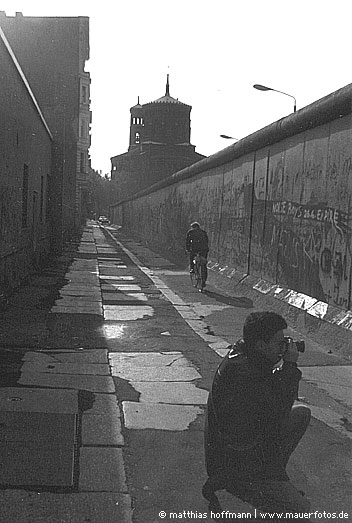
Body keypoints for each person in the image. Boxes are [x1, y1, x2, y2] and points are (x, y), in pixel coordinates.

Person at [203, 311, 312, 520]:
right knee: (301, 509)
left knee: (301, 414)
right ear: (261, 345)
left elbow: (272, 406)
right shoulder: (244, 373)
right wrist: (289, 366)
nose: (285, 346)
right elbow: (278, 411)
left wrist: (281, 363)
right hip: (236, 463)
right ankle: (256, 489)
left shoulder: (246, 356)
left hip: (245, 447)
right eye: (279, 342)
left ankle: (274, 480)